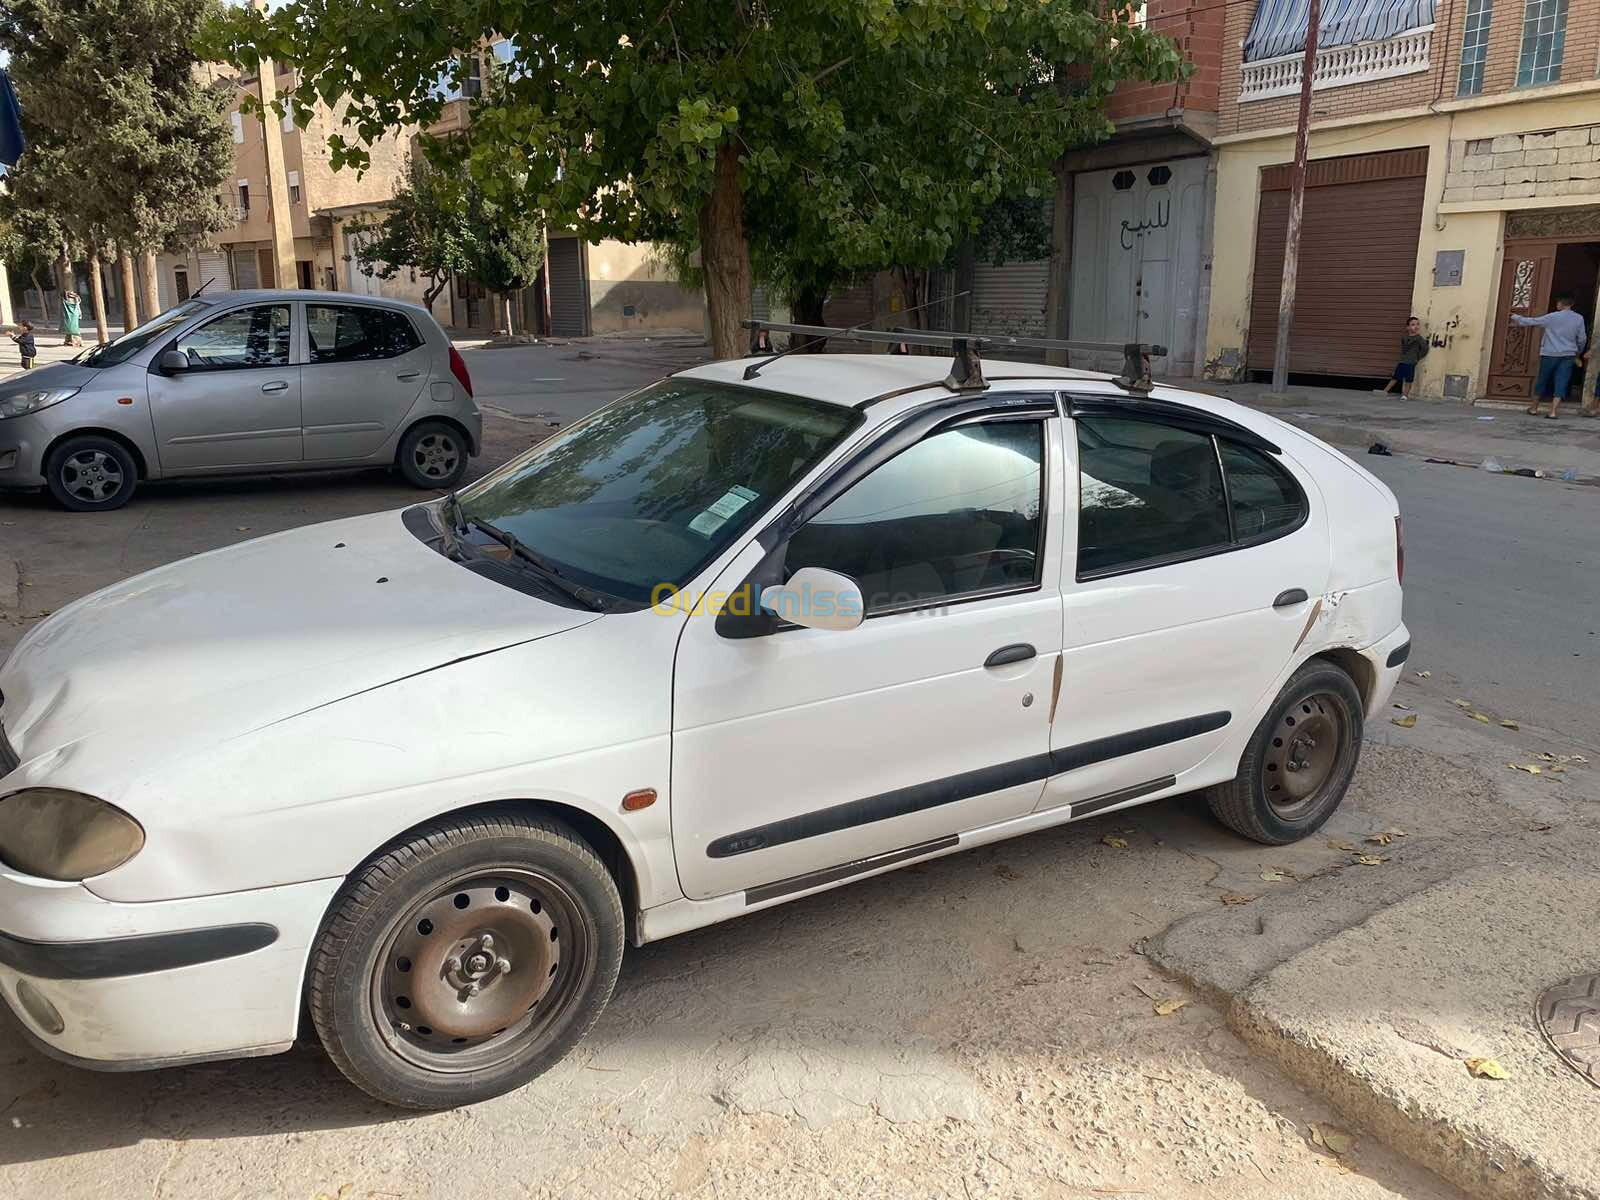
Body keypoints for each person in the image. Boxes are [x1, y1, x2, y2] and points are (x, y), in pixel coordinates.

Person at [1511, 292, 1586, 419]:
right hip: (1568, 354)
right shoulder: (1579, 318)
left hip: (1550, 353)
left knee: (1543, 379)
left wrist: (1515, 317)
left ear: (1560, 304)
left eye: (1557, 303)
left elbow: (1532, 321)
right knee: (1562, 381)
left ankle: (1534, 408)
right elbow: (1582, 338)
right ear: (1571, 304)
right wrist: (1578, 351)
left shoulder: (1552, 317)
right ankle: (1553, 412)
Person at [1376, 316, 1429, 399]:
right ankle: (1385, 391)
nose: (1416, 326)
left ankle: (1405, 395)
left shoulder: (1419, 338)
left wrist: (1417, 357)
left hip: (1411, 362)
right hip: (1402, 361)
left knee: (1409, 379)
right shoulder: (1404, 338)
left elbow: (1425, 348)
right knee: (1395, 377)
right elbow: (1404, 349)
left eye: (1417, 324)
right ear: (1407, 327)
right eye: (1413, 325)